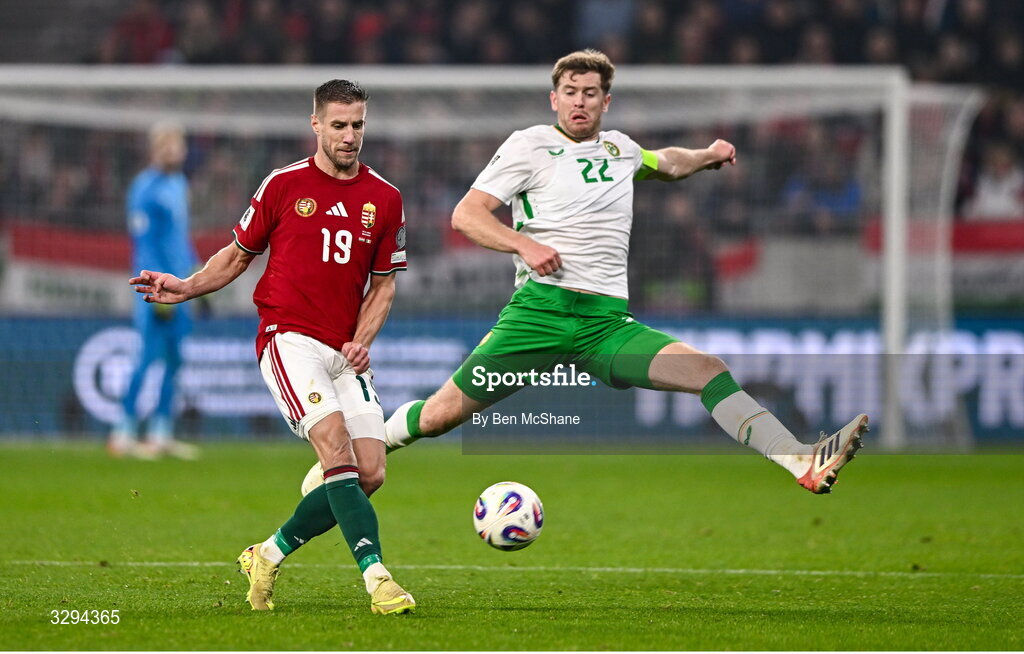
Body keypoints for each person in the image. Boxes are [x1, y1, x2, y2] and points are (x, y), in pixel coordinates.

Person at [383, 50, 868, 493]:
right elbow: (466, 214)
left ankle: (800, 460)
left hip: (605, 326)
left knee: (708, 370)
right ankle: (366, 446)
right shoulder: (528, 146)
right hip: (539, 315)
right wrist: (523, 244)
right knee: (438, 417)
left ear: (606, 101)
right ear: (554, 99)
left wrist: (707, 155)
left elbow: (668, 163)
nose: (579, 101)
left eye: (589, 93)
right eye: (570, 92)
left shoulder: (621, 150)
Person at [129, 79, 414, 615]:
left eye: (357, 125)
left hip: (343, 350)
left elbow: (383, 286)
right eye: (338, 125)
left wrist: (361, 341)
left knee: (370, 472)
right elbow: (238, 255)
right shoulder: (283, 184)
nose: (349, 136)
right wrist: (187, 287)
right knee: (336, 452)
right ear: (316, 125)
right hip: (289, 339)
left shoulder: (386, 197)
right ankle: (378, 579)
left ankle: (267, 553)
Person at [109, 123, 200, 460]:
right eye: (168, 146)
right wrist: (156, 288)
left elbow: (180, 237)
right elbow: (144, 244)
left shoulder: (179, 184)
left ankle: (161, 433)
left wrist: (198, 279)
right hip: (156, 292)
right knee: (147, 357)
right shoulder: (144, 189)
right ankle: (123, 432)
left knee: (175, 359)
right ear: (155, 149)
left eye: (178, 145)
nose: (175, 151)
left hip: (181, 288)